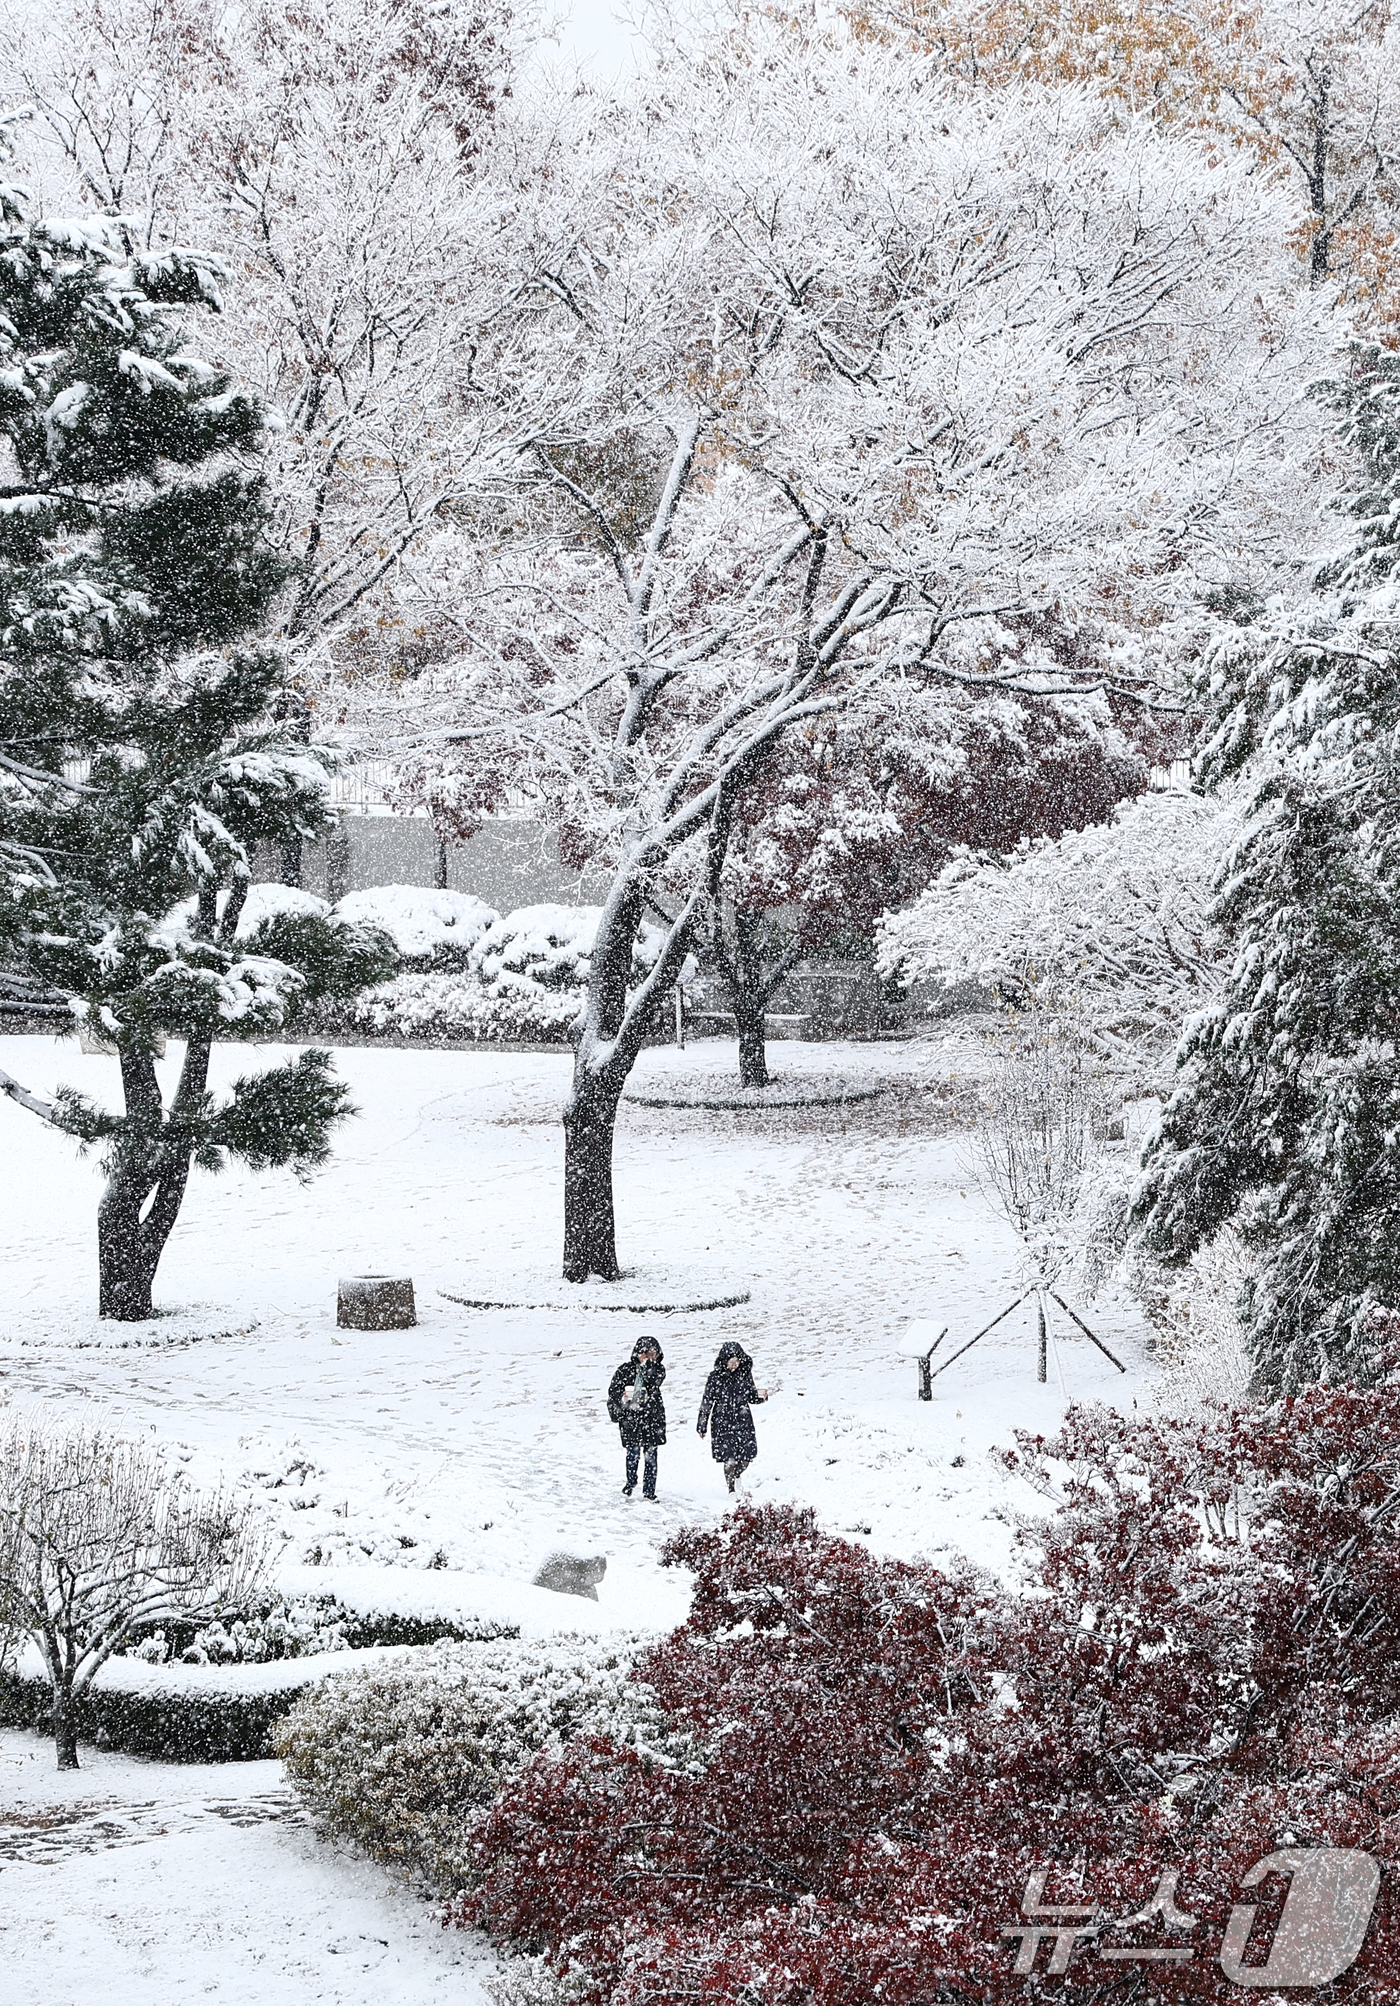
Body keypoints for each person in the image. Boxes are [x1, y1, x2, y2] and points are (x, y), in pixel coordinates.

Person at [697, 1341, 770, 1493]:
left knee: (745, 1457)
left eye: (737, 1361)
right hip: (722, 1420)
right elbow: (707, 1401)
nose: (734, 1364)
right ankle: (731, 1488)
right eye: (731, 1361)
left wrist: (761, 1397)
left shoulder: (744, 1375)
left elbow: (751, 1395)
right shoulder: (715, 1377)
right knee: (729, 1458)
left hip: (743, 1419)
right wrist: (702, 1425)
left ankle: (736, 1476)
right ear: (725, 1361)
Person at [607, 1335, 667, 1499]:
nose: (650, 1357)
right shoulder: (625, 1370)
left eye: (653, 1354)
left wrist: (646, 1366)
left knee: (651, 1457)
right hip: (631, 1419)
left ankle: (649, 1491)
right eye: (646, 1353)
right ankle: (631, 1481)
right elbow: (614, 1390)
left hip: (651, 1419)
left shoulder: (658, 1370)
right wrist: (622, 1401)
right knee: (632, 1454)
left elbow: (654, 1381)